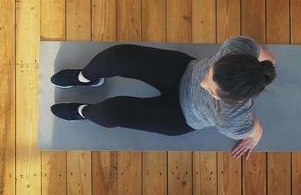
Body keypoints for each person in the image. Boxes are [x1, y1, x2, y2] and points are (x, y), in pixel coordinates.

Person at [50, 36, 277, 160]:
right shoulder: (237, 48)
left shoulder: (234, 119)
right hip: (181, 70)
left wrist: (255, 137)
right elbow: (265, 56)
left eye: (209, 89)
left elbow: (253, 129)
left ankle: (81, 112)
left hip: (180, 114)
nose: (202, 83)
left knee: (111, 112)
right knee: (117, 57)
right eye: (209, 74)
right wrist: (267, 64)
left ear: (235, 101)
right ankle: (86, 78)